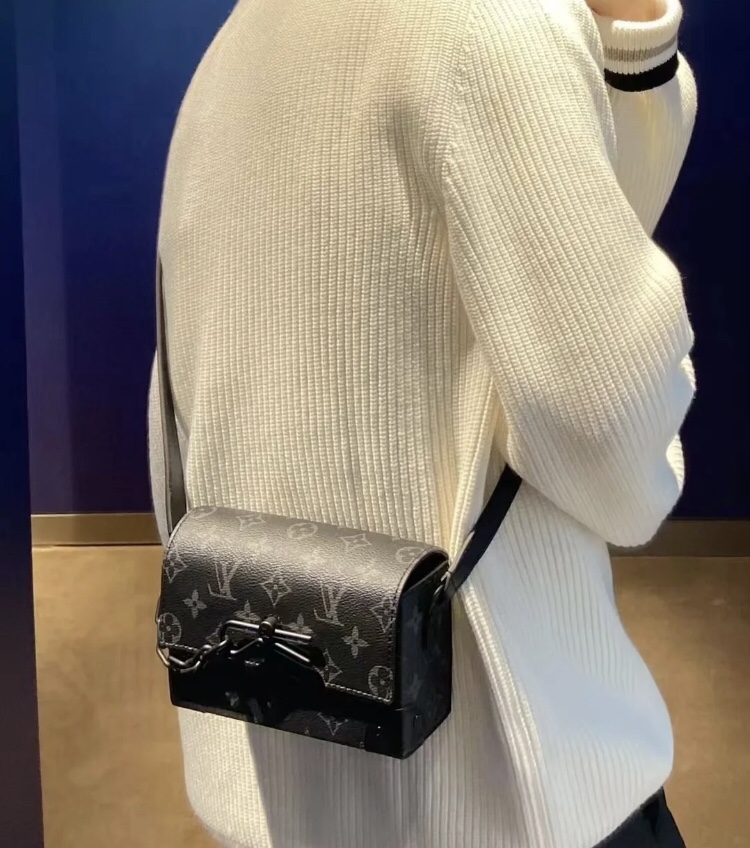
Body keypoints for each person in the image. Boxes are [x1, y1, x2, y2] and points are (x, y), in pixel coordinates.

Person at [148, 0, 697, 845]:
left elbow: (174, 430)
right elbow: (610, 436)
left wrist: (634, 44)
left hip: (270, 762)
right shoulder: (496, 29)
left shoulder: (230, 51)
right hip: (496, 790)